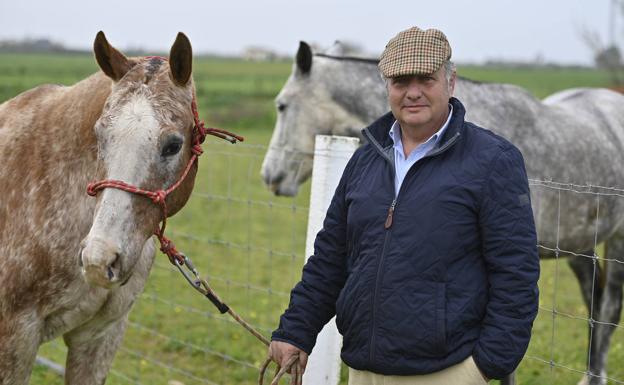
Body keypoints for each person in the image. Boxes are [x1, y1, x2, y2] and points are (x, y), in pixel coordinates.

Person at [269, 26, 540, 385]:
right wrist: (295, 330)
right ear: (387, 87)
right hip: (364, 370)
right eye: (400, 81)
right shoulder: (365, 159)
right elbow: (330, 257)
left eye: (426, 79)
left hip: (448, 372)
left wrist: (484, 366)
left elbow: (516, 276)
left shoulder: (493, 161)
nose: (412, 92)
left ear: (450, 81)